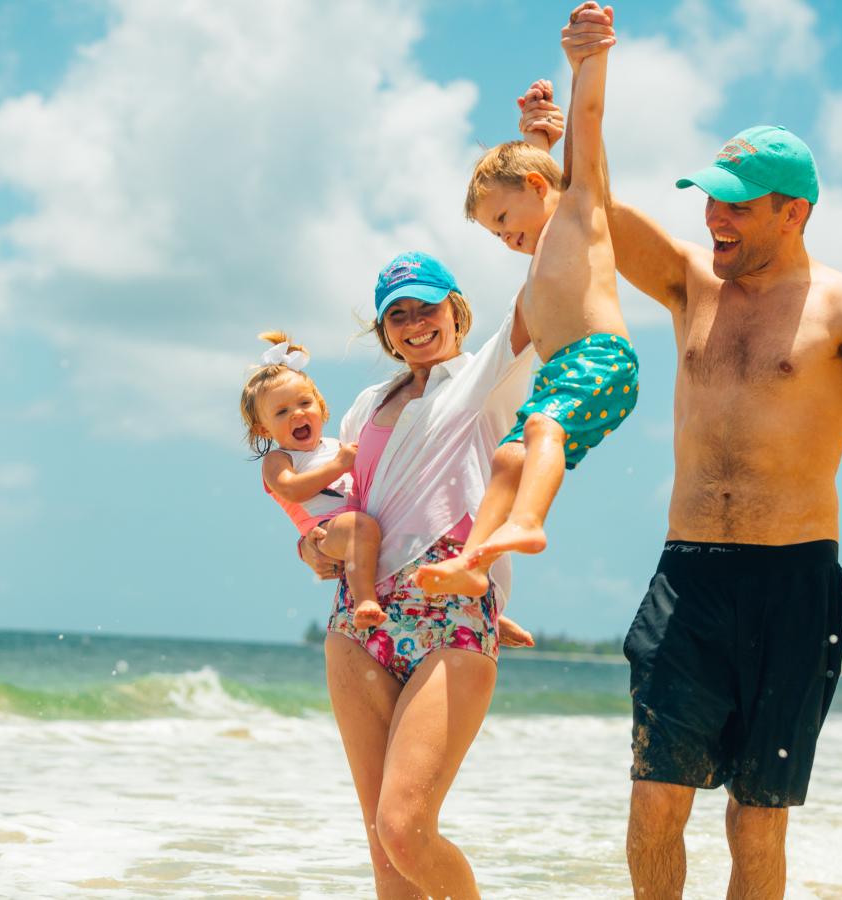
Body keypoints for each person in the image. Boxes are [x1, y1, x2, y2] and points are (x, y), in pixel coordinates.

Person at [556, 3, 842, 897]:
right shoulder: (693, 283)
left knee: (755, 817)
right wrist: (582, 79)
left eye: (735, 204)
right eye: (710, 201)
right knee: (656, 799)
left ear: (793, 211)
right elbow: (592, 209)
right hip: (688, 578)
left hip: (793, 582)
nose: (714, 217)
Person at [299, 249, 536, 897]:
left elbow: (546, 292)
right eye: (397, 315)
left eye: (427, 307)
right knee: (383, 850)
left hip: (452, 612)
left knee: (406, 828)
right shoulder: (365, 406)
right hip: (358, 618)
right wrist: (314, 547)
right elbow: (339, 509)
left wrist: (559, 187)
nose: (414, 323)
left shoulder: (486, 378)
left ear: (456, 310)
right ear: (384, 332)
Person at [416, 3, 638, 599]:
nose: (505, 237)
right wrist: (534, 132)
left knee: (541, 429)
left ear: (538, 191)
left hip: (600, 358)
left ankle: (529, 520)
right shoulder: (540, 246)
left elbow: (585, 127)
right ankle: (473, 562)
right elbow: (526, 175)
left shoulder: (577, 212)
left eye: (505, 220)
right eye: (494, 233)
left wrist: (587, 61)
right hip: (564, 374)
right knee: (509, 460)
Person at [240, 331, 386, 630]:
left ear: (321, 406)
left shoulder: (336, 445)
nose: (297, 414)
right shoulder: (279, 460)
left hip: (358, 526)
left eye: (304, 403)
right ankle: (364, 601)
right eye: (281, 412)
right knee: (361, 526)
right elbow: (292, 490)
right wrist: (340, 465)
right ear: (264, 430)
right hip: (324, 532)